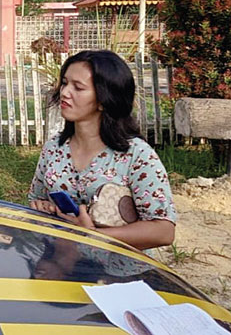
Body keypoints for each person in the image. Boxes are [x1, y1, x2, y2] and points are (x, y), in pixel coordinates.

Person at [28, 50, 176, 250]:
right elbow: (36, 199)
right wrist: (44, 207)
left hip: (119, 274)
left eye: (78, 87)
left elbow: (164, 231)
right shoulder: (54, 148)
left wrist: (92, 236)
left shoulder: (137, 155)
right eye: (64, 83)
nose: (64, 92)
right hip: (61, 263)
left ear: (104, 99)